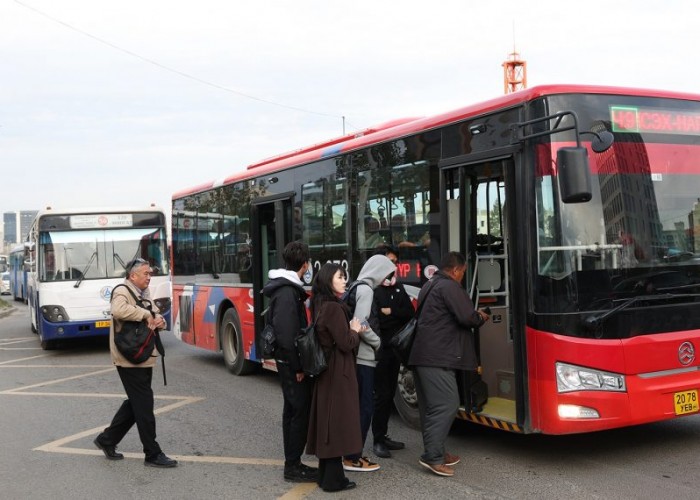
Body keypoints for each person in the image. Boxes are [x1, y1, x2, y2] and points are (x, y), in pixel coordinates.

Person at [408, 252, 490, 477]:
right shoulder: (450, 287)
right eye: (463, 273)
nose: (462, 277)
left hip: (423, 355)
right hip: (436, 357)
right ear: (455, 270)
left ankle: (438, 451)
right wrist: (481, 316)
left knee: (431, 408)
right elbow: (467, 318)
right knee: (448, 404)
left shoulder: (430, 284)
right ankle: (432, 457)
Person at [94, 258, 176, 468]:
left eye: (150, 274)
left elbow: (157, 315)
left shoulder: (143, 294)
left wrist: (160, 321)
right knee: (144, 405)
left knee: (136, 402)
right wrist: (146, 314)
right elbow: (118, 310)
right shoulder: (123, 291)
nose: (149, 277)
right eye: (146, 273)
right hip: (129, 357)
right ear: (133, 276)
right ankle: (152, 453)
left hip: (143, 355)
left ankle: (107, 439)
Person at [261, 241, 317, 483]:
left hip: (288, 360)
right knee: (298, 412)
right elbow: (287, 335)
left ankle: (292, 462)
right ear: (305, 265)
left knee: (292, 410)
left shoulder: (286, 288)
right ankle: (293, 466)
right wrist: (298, 368)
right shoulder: (287, 292)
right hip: (290, 362)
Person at [306, 263, 364, 492]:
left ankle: (327, 476)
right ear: (329, 279)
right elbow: (345, 342)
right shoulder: (332, 308)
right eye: (340, 277)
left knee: (330, 422)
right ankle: (333, 480)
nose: (344, 281)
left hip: (328, 371)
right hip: (338, 371)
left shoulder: (320, 303)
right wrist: (355, 330)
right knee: (338, 423)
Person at [342, 254, 396, 472]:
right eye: (388, 274)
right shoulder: (365, 290)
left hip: (356, 356)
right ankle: (353, 457)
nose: (389, 279)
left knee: (359, 407)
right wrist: (377, 342)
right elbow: (361, 322)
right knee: (364, 409)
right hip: (363, 357)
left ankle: (351, 454)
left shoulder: (356, 286)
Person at [371, 245, 414, 459]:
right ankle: (377, 439)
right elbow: (377, 321)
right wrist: (390, 316)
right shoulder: (371, 290)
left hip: (395, 350)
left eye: (395, 262)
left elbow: (409, 313)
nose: (393, 266)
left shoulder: (398, 288)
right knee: (381, 396)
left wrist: (392, 312)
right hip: (380, 351)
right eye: (389, 261)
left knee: (389, 395)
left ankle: (384, 434)